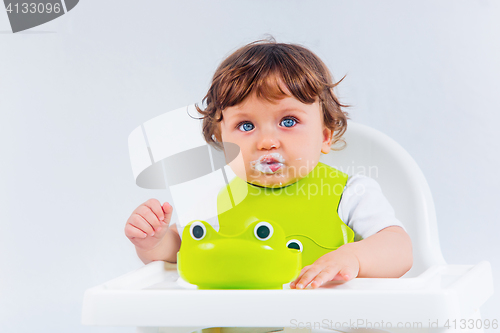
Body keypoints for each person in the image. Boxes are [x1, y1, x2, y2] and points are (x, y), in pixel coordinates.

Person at [124, 39, 413, 289]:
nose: (266, 142)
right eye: (246, 125)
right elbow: (180, 251)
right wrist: (154, 241)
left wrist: (354, 258)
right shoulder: (214, 196)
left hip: (325, 322)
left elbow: (399, 249)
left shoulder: (349, 192)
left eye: (288, 121)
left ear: (325, 136)